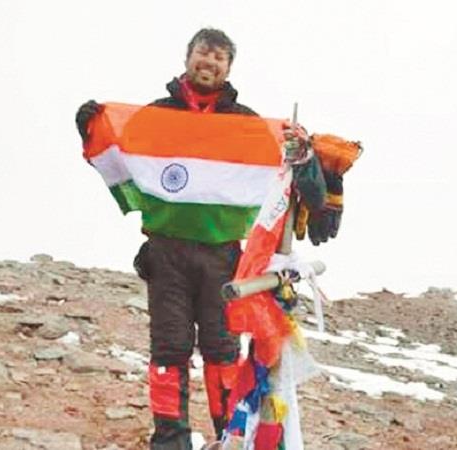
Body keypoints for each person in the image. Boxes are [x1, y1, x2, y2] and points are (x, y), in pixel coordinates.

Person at [76, 28, 332, 450]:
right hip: (166, 254)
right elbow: (119, 156)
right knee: (169, 350)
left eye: (218, 57)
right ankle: (170, 441)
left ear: (228, 68)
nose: (208, 63)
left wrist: (301, 153)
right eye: (202, 54)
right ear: (188, 58)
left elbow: (283, 173)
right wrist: (92, 128)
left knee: (221, 348)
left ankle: (228, 436)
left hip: (223, 256)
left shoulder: (248, 124)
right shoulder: (155, 116)